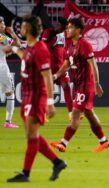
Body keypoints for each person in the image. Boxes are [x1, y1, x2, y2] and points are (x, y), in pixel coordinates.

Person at [4, 15, 67, 182]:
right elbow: (24, 56)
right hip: (27, 97)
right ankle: (57, 162)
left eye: (23, 26)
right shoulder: (31, 48)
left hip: (36, 97)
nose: (21, 28)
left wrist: (50, 102)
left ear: (29, 29)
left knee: (32, 136)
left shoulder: (41, 49)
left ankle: (26, 173)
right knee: (32, 136)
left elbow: (47, 77)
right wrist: (14, 49)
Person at [50, 18, 109, 153]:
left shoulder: (84, 45)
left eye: (70, 27)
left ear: (78, 30)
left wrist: (96, 83)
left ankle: (63, 143)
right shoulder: (69, 45)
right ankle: (104, 141)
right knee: (89, 114)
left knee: (76, 113)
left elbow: (93, 64)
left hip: (86, 85)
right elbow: (66, 65)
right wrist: (55, 76)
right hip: (78, 85)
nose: (67, 30)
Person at [40, 18, 73, 119]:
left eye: (60, 26)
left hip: (61, 65)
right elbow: (42, 47)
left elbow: (65, 49)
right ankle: (43, 113)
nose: (56, 26)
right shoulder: (47, 32)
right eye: (57, 24)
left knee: (66, 86)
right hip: (49, 66)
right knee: (46, 90)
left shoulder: (64, 35)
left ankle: (71, 113)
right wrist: (53, 41)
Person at [0, 16, 20, 128]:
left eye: (3, 24)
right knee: (10, 93)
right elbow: (18, 44)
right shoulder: (2, 37)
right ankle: (8, 122)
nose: (3, 26)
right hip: (1, 67)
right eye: (1, 24)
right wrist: (12, 32)